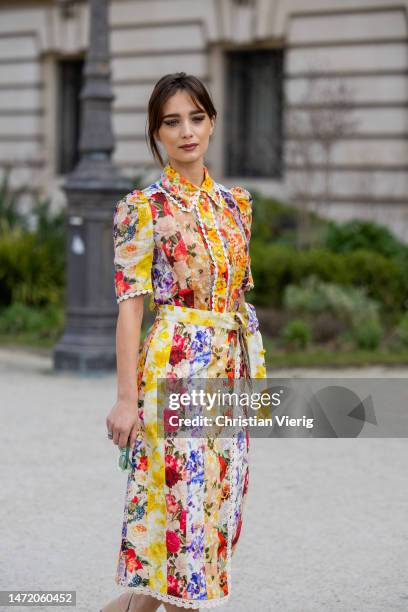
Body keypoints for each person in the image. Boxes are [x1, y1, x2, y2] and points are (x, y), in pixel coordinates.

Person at [101, 72, 266, 612]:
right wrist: (127, 399)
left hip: (229, 378)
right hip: (176, 369)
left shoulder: (237, 204)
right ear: (157, 133)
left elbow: (236, 297)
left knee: (209, 526)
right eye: (172, 122)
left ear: (212, 122)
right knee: (181, 532)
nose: (187, 131)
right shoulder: (142, 208)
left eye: (196, 118)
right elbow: (130, 310)